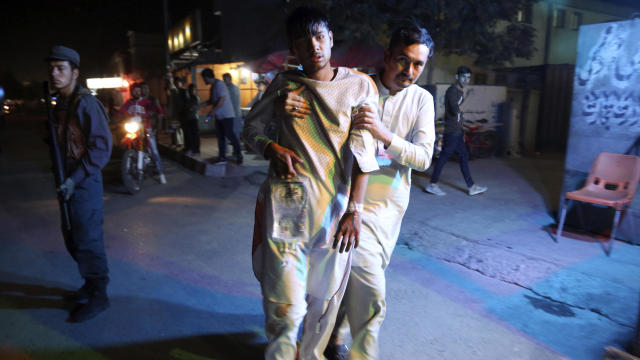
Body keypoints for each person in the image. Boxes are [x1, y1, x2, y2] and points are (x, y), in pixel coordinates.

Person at [286, 23, 436, 359]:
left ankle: (331, 343)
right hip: (343, 207)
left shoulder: (421, 100)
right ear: (387, 56)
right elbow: (310, 89)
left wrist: (385, 135)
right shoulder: (357, 86)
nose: (409, 71)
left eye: (417, 65)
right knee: (365, 297)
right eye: (402, 60)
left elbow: (424, 158)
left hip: (388, 215)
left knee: (344, 288)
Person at [242, 6, 380, 359]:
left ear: (331, 40)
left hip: (335, 206)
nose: (313, 46)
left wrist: (355, 209)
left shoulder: (359, 86)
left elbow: (365, 152)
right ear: (294, 49)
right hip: (288, 203)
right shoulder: (283, 86)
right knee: (284, 307)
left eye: (319, 37)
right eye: (303, 41)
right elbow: (250, 131)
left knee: (323, 302)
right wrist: (271, 145)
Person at [46, 45, 112, 322]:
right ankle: (89, 283)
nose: (54, 73)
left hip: (83, 181)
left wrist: (74, 179)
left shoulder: (85, 103)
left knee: (87, 240)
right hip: (67, 180)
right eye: (51, 68)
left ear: (75, 72)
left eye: (61, 68)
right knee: (72, 236)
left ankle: (99, 295)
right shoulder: (61, 103)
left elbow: (101, 148)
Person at [425, 66, 487, 196]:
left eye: (468, 77)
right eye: (464, 76)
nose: (466, 80)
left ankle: (471, 186)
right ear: (457, 77)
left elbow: (457, 113)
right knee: (444, 157)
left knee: (463, 156)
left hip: (457, 131)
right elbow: (456, 110)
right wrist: (469, 98)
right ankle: (432, 184)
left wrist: (463, 126)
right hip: (452, 131)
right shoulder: (452, 91)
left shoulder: (459, 92)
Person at [119, 82, 167, 184]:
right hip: (134, 129)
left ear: (141, 91)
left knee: (154, 150)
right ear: (131, 92)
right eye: (134, 90)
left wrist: (152, 113)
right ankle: (130, 163)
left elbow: (155, 110)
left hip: (146, 128)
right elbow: (121, 112)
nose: (136, 92)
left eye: (138, 90)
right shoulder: (128, 103)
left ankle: (160, 173)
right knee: (124, 142)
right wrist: (116, 118)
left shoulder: (146, 102)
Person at [201, 68, 243, 164]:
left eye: (204, 79)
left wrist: (213, 111)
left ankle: (238, 154)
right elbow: (211, 101)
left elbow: (222, 100)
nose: (204, 81)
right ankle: (222, 157)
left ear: (207, 77)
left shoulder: (220, 85)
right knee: (220, 136)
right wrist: (199, 106)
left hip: (227, 115)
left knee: (229, 134)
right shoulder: (213, 87)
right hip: (219, 116)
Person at [222, 73, 242, 138]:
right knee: (231, 133)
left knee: (235, 133)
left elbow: (234, 102)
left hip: (234, 113)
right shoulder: (231, 88)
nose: (224, 80)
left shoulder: (234, 88)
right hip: (231, 114)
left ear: (230, 79)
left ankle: (236, 147)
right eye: (224, 79)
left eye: (225, 79)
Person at [184, 83, 201, 155]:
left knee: (195, 134)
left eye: (193, 89)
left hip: (194, 118)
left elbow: (196, 107)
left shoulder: (196, 98)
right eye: (190, 90)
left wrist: (190, 108)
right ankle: (191, 148)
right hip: (189, 118)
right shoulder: (188, 98)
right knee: (190, 134)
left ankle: (196, 149)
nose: (192, 91)